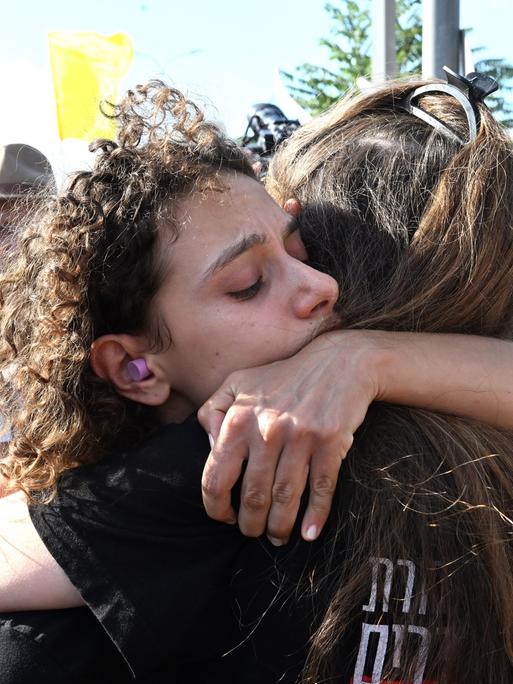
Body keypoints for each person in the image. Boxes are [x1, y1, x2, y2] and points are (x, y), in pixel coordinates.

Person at [1, 75, 513, 683]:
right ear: (133, 368)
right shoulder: (210, 466)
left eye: (302, 250)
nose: (321, 286)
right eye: (247, 284)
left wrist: (364, 358)